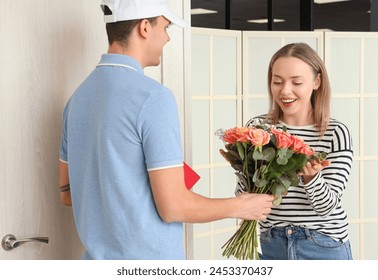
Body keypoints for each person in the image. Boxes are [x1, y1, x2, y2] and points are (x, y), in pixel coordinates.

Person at [58, 0, 274, 260]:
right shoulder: (153, 98)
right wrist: (240, 206)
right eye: (166, 27)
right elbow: (173, 207)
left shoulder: (78, 99)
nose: (167, 38)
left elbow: (67, 195)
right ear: (145, 27)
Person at [236, 43, 353, 260]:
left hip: (322, 246)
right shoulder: (258, 128)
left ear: (317, 82)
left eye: (296, 82)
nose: (285, 91)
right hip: (271, 244)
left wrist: (311, 178)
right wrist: (244, 164)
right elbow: (244, 195)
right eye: (277, 81)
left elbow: (327, 208)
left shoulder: (335, 132)